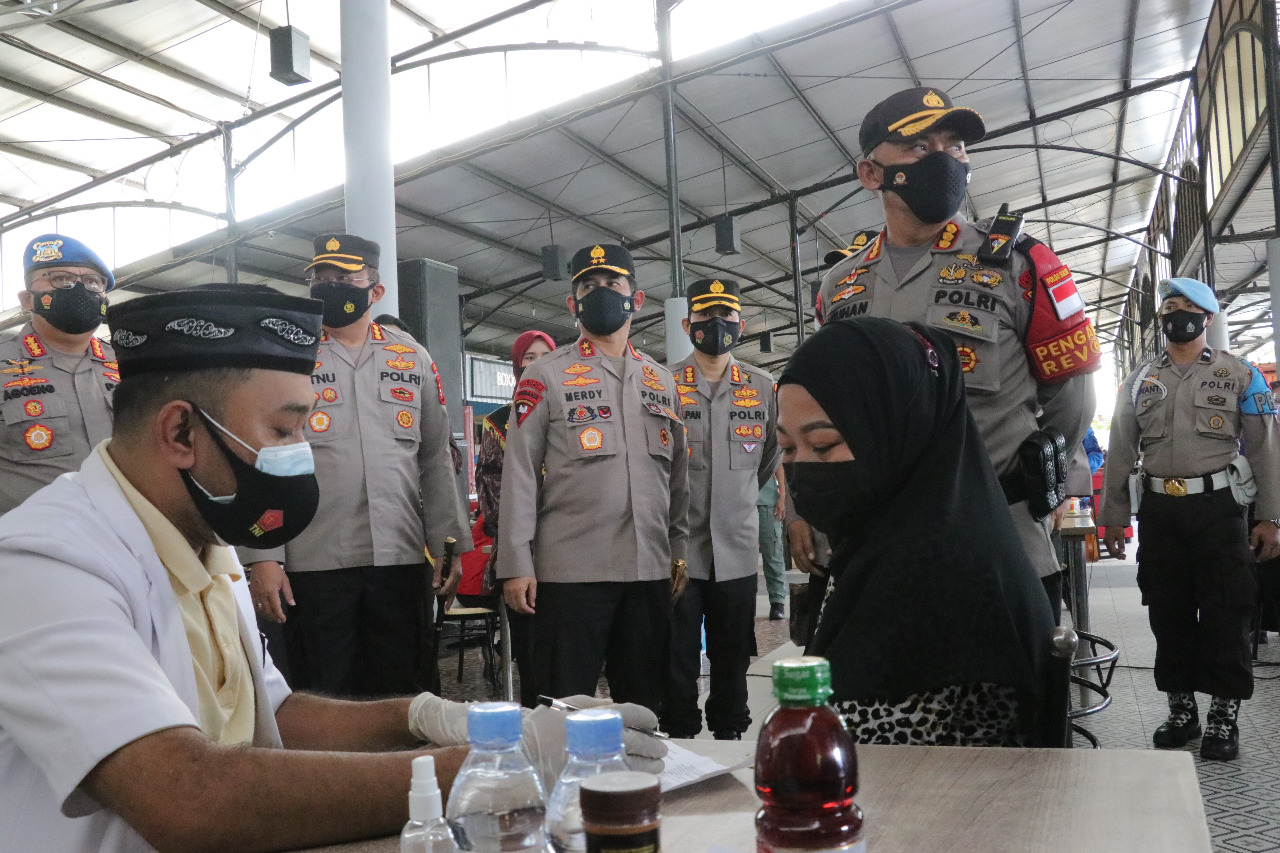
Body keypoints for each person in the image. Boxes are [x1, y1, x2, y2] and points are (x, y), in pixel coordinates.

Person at [807, 87, 1100, 618]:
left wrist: (1047, 479)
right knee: (890, 698)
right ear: (871, 174)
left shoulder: (1020, 264)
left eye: (956, 145)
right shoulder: (839, 284)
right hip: (878, 548)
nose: (944, 159)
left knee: (1011, 698)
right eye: (921, 147)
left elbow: (1071, 394)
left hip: (1000, 541)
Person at [778, 316, 1054, 746]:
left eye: (825, 445)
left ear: (900, 429)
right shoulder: (888, 541)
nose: (803, 469)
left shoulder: (943, 583)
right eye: (788, 448)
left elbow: (875, 756)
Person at [243, 234, 473, 698]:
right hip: (315, 561)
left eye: (345, 278)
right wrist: (264, 556)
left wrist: (449, 545)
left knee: (405, 694)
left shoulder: (412, 357)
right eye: (322, 277)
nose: (332, 286)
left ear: (375, 290)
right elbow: (259, 456)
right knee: (325, 695)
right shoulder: (286, 354)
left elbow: (435, 456)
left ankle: (405, 773)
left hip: (400, 557)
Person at [497, 243, 690, 713]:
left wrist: (679, 550)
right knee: (562, 707)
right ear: (573, 303)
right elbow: (519, 472)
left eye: (612, 284)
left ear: (636, 299)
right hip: (570, 575)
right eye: (588, 286)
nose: (600, 292)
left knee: (647, 709)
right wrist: (516, 563)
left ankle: (641, 786)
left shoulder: (661, 381)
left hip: (647, 570)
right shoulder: (545, 375)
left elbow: (678, 476)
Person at [1100, 278, 1280, 761]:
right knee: (1168, 610)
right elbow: (1120, 448)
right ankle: (1182, 710)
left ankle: (1224, 716)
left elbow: (1265, 449)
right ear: (1160, 319)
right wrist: (1112, 516)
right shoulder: (1140, 379)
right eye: (1168, 308)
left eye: (1187, 307)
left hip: (1220, 511)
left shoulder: (1240, 374)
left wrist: (1271, 518)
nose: (1176, 314)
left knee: (1227, 610)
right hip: (1160, 513)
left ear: (1208, 317)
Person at [662, 278, 779, 741]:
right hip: (680, 550)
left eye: (726, 317)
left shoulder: (762, 387)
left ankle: (731, 732)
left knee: (733, 654)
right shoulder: (665, 383)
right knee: (678, 653)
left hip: (736, 547)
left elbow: (768, 460)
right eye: (706, 317)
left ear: (741, 325)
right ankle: (680, 733)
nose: (717, 325)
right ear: (688, 324)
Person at [0, 233, 117, 515]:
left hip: (129, 545)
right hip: (27, 549)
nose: (78, 288)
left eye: (92, 281)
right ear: (27, 299)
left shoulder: (132, 363)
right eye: (60, 278)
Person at [475, 329, 556, 707]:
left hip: (573, 553)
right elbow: (494, 493)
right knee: (536, 660)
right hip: (523, 555)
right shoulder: (499, 422)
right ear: (517, 366)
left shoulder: (571, 413)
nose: (538, 364)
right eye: (529, 358)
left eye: (546, 355)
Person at [757, 464, 788, 621]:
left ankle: (777, 602)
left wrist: (782, 497)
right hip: (738, 502)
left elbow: (778, 464)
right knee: (738, 558)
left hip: (767, 500)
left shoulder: (769, 437)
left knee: (773, 553)